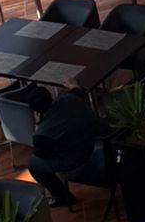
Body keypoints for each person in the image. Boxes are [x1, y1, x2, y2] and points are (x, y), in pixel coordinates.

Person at [28, 79, 110, 209]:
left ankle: (61, 196)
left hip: (77, 161)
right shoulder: (71, 99)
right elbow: (77, 89)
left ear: (35, 112)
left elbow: (40, 153)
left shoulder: (42, 134)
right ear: (51, 96)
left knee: (33, 164)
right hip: (99, 144)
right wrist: (72, 84)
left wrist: (38, 124)